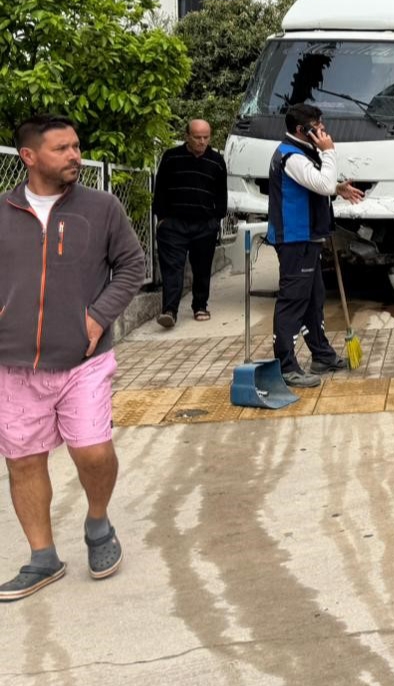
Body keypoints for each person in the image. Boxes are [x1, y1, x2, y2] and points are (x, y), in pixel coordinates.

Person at [0, 116, 146, 601]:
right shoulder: (2, 212)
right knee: (23, 461)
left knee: (93, 451)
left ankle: (98, 523)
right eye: (61, 148)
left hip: (84, 359)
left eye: (76, 146)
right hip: (14, 363)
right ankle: (42, 558)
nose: (74, 156)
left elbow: (132, 265)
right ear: (28, 157)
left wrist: (98, 317)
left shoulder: (102, 208)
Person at [267, 104, 364, 388]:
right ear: (301, 130)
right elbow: (321, 184)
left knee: (313, 298)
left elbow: (317, 186)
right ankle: (286, 366)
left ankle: (321, 355)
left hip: (307, 238)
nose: (323, 132)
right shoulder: (291, 156)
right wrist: (329, 152)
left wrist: (336, 189)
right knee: (293, 300)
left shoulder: (302, 152)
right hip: (295, 238)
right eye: (317, 127)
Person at [152, 118, 228, 328]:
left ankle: (200, 306)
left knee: (202, 268)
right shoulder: (171, 157)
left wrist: (216, 219)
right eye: (197, 137)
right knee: (172, 268)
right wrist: (162, 219)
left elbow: (221, 194)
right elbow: (160, 190)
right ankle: (169, 310)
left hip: (204, 225)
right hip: (173, 224)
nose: (202, 142)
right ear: (187, 136)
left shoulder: (216, 161)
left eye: (206, 137)